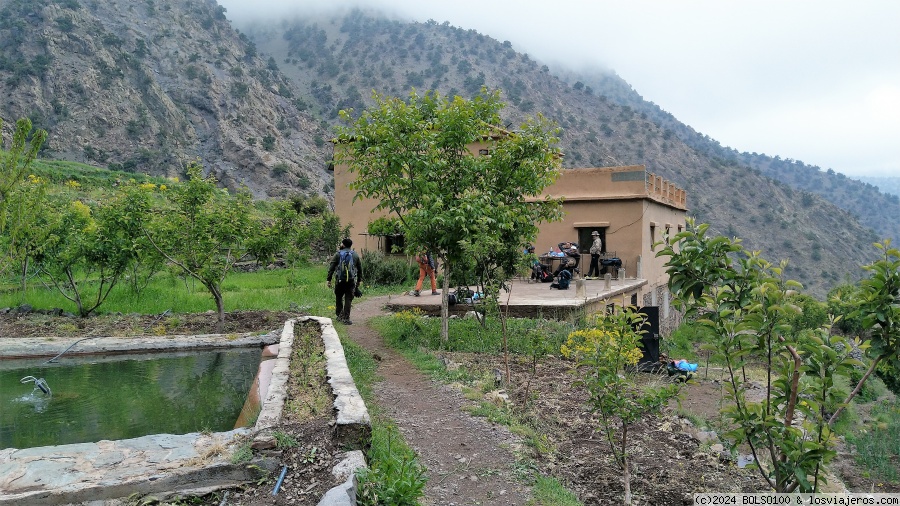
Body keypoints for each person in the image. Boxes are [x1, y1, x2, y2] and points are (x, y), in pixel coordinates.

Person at [326, 238, 363, 325]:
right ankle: (346, 318)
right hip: (350, 281)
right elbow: (360, 269)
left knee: (339, 297)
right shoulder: (355, 255)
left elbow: (331, 268)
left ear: (343, 244)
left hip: (340, 281)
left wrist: (329, 279)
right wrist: (359, 280)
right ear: (350, 245)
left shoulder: (337, 254)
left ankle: (339, 316)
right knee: (348, 299)